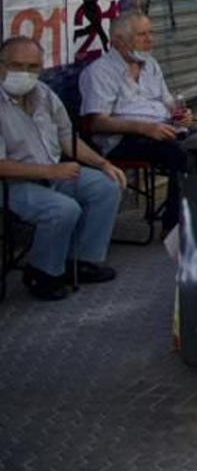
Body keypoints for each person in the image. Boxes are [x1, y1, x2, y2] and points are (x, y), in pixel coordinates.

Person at [1, 36, 126, 301]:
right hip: (12, 184)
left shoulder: (44, 94)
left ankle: (80, 261)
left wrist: (104, 163)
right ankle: (42, 273)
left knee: (107, 185)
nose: (24, 73)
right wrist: (49, 172)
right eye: (16, 65)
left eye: (32, 66)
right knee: (63, 209)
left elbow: (67, 140)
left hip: (52, 173)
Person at [80, 11, 192, 232]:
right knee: (181, 154)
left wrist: (182, 113)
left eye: (151, 33)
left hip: (160, 128)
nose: (150, 40)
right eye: (141, 35)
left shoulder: (150, 64)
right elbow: (97, 123)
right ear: (118, 41)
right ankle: (173, 228)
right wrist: (143, 128)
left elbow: (167, 100)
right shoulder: (99, 72)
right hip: (123, 139)